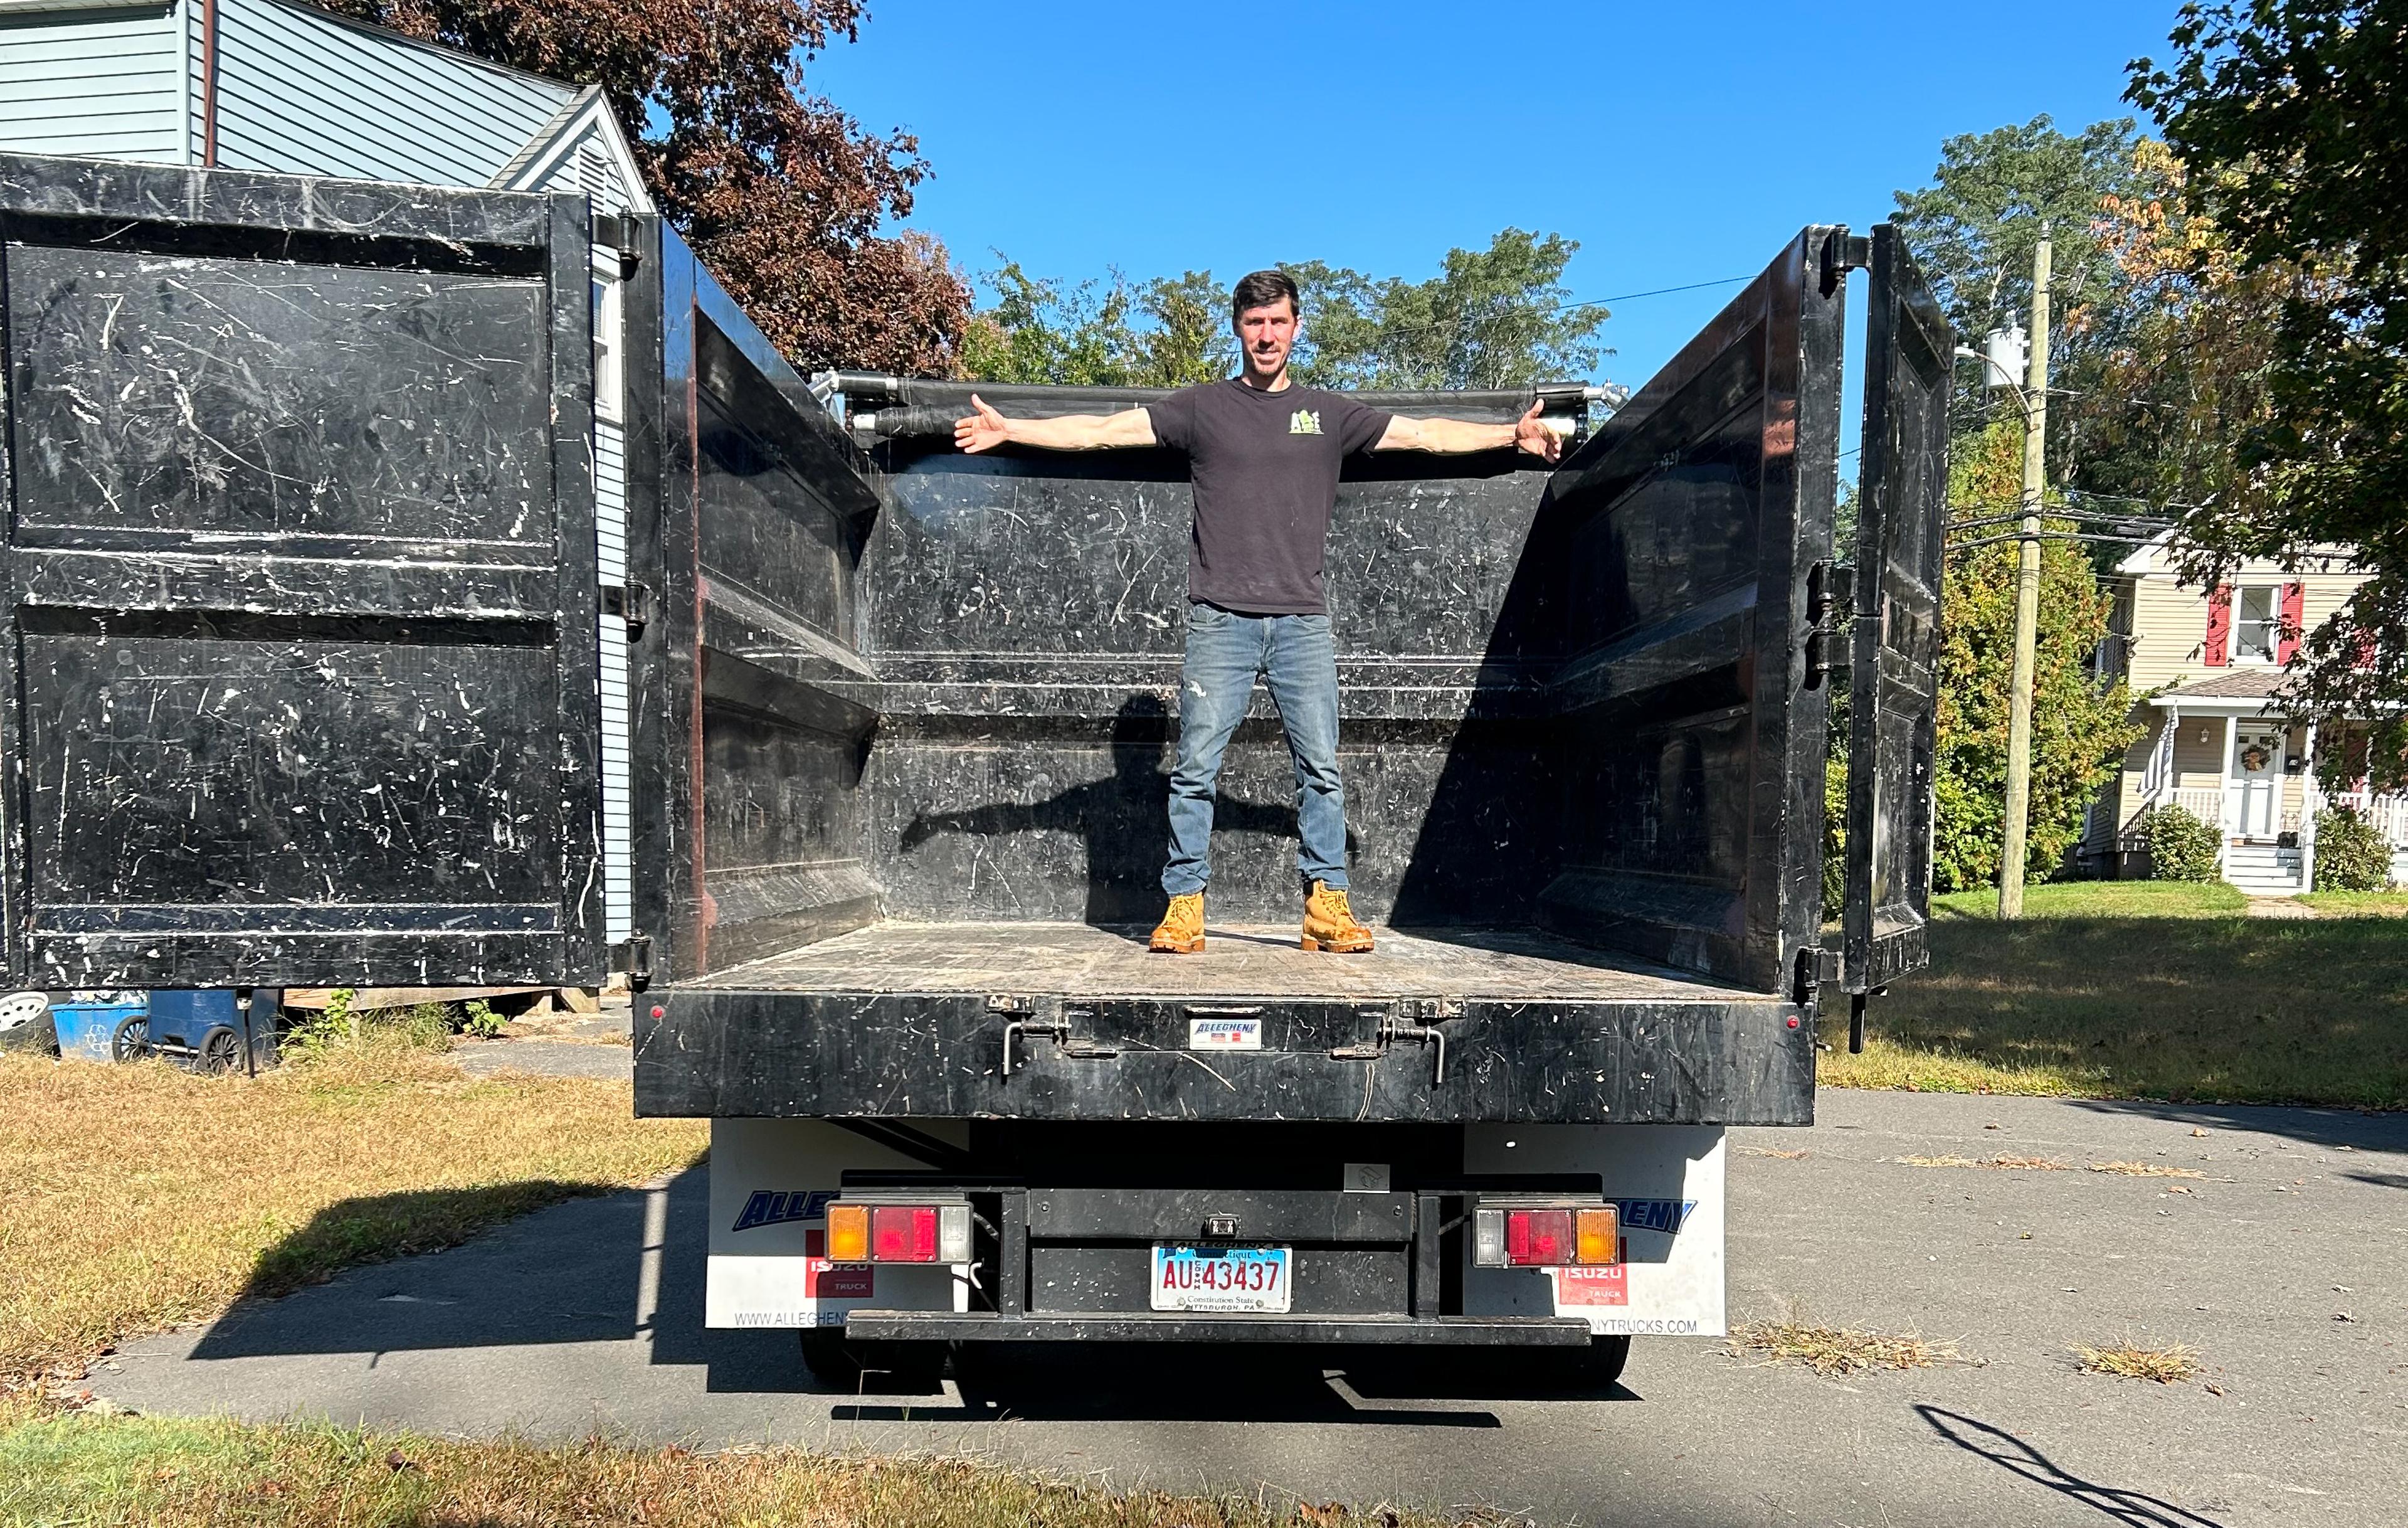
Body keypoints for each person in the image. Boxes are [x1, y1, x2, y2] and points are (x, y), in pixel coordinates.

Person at [954, 268, 1561, 956]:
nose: (1266, 335)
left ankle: (1326, 906)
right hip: (1220, 621)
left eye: (1277, 322)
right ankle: (1184, 906)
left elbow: (1425, 436)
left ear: (1296, 328)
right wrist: (1014, 430)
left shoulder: (1330, 414)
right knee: (1194, 769)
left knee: (1321, 769)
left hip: (1302, 623)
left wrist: (1509, 436)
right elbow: (1101, 432)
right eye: (1254, 323)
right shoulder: (1202, 409)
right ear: (1237, 329)